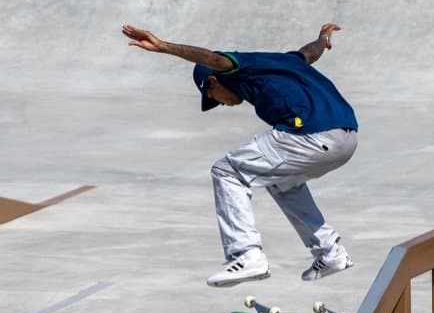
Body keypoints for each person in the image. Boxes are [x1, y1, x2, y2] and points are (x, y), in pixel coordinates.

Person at [122, 23, 359, 287]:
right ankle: (330, 252)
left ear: (213, 81)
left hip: (311, 133)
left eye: (213, 97)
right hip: (346, 137)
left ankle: (246, 254)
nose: (221, 104)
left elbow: (212, 59)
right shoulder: (282, 62)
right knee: (281, 182)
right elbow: (309, 53)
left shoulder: (238, 67)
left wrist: (164, 47)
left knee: (227, 171)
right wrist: (322, 39)